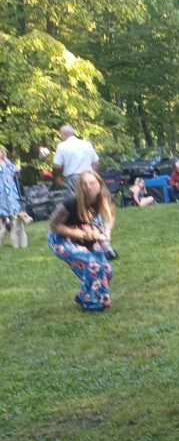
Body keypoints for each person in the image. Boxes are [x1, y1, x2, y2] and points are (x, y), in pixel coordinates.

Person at [47, 170, 115, 311]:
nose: (89, 186)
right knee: (94, 265)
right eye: (84, 184)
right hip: (61, 239)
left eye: (92, 183)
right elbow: (53, 225)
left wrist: (106, 231)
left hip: (85, 236)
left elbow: (110, 217)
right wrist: (81, 234)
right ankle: (91, 302)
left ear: (100, 184)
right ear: (79, 187)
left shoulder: (104, 198)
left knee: (107, 270)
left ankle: (85, 295)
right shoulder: (71, 203)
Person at [0, 145, 31, 249]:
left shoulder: (8, 163)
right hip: (2, 194)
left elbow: (16, 171)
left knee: (16, 217)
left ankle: (21, 242)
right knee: (7, 219)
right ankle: (10, 239)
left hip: (12, 193)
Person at [53, 125, 100, 192]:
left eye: (61, 134)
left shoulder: (62, 146)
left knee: (76, 200)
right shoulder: (87, 144)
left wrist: (58, 179)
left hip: (73, 179)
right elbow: (96, 162)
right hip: (89, 176)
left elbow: (57, 166)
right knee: (90, 199)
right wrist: (92, 173)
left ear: (65, 134)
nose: (61, 137)